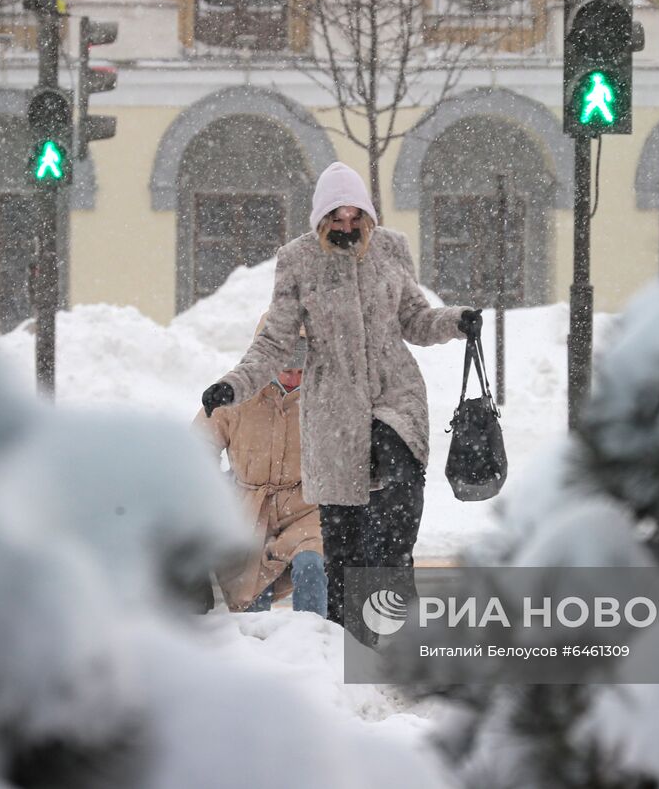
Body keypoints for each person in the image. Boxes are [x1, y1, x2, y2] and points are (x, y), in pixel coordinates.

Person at [200, 161, 481, 644]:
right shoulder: (298, 261)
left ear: (369, 216)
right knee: (345, 540)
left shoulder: (392, 250)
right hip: (331, 408)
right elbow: (274, 341)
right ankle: (347, 647)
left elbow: (414, 318)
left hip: (396, 398)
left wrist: (455, 321)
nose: (348, 226)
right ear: (321, 219)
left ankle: (395, 632)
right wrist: (234, 385)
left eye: (356, 218)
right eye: (338, 218)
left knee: (393, 522)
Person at [195, 325, 326, 616]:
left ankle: (316, 639)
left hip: (306, 506)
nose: (293, 378)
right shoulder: (234, 393)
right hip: (249, 512)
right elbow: (198, 447)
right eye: (285, 370)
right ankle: (257, 651)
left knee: (312, 565)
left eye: (302, 371)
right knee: (250, 598)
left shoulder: (327, 396)